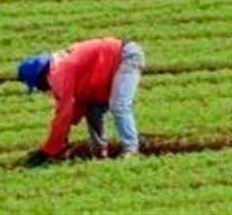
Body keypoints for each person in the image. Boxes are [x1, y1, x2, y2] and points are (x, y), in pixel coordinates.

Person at [17, 37, 145, 167]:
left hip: (126, 57)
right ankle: (99, 153)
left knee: (119, 106)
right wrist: (60, 142)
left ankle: (131, 149)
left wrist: (48, 150)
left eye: (38, 86)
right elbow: (76, 107)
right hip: (107, 68)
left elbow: (63, 115)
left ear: (40, 77)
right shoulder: (59, 66)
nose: (41, 89)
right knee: (92, 109)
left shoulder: (58, 73)